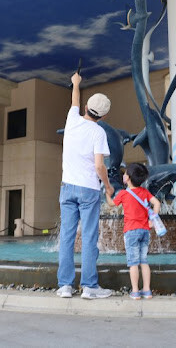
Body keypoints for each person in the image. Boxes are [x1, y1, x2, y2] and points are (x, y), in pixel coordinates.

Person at [56, 72, 115, 300]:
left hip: (67, 187)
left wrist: (76, 83)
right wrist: (107, 186)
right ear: (104, 115)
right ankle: (89, 287)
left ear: (86, 107)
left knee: (66, 237)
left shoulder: (72, 120)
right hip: (89, 189)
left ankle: (65, 286)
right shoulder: (99, 132)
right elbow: (100, 166)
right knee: (89, 237)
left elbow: (74, 100)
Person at [105, 162, 161, 300]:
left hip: (131, 232)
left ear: (128, 178)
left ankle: (135, 291)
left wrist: (108, 194)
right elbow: (157, 203)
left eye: (125, 173)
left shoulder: (123, 194)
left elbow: (111, 204)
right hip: (144, 231)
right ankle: (147, 290)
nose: (123, 175)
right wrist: (152, 220)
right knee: (144, 261)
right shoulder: (144, 192)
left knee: (133, 263)